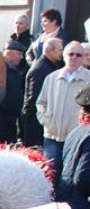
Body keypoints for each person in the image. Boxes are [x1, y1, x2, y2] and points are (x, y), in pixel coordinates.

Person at [37, 40, 90, 186]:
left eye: (78, 55)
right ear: (64, 56)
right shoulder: (52, 78)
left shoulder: (88, 78)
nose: (74, 57)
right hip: (52, 137)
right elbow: (40, 103)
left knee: (70, 179)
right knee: (50, 176)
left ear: (83, 57)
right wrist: (47, 122)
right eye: (70, 54)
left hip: (77, 140)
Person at [22, 37, 63, 147]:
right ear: (50, 50)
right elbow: (37, 98)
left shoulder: (49, 66)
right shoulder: (41, 69)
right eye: (60, 50)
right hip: (35, 120)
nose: (62, 53)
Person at [0, 40, 25, 144]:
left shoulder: (16, 70)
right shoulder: (0, 69)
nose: (21, 57)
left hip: (12, 117)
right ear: (8, 53)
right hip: (1, 117)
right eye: (18, 54)